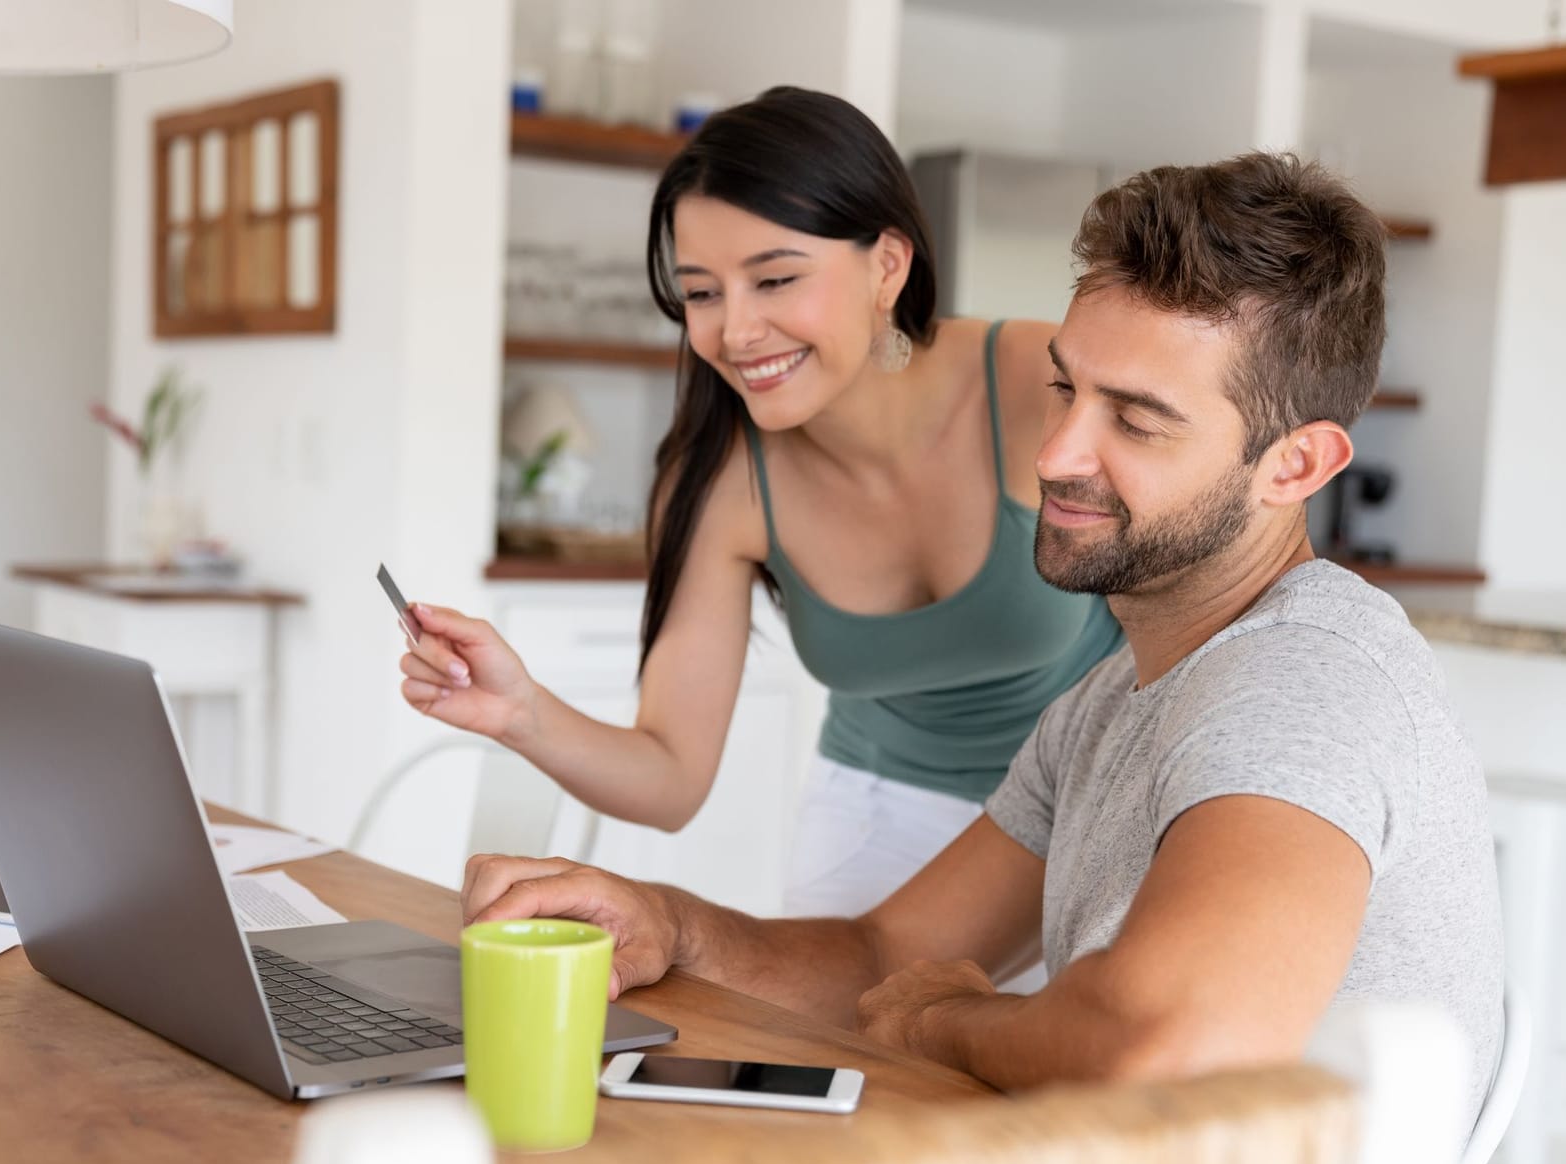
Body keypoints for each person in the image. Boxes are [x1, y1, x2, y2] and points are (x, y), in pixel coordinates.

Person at [457, 152, 1507, 1140]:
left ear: (1297, 465)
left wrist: (946, 1021)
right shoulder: (1108, 702)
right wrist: (670, 924)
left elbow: (1162, 1038)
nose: (1055, 453)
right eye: (1064, 387)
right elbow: (887, 950)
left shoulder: (1303, 679)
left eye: (1135, 421)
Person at [398, 87, 1122, 923]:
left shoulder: (1039, 379)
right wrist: (521, 711)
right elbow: (669, 774)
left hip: (1093, 808)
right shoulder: (720, 482)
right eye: (702, 293)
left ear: (888, 264)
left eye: (774, 279)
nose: (735, 333)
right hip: (879, 827)